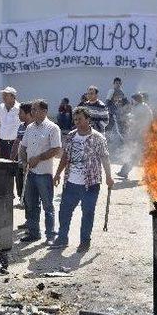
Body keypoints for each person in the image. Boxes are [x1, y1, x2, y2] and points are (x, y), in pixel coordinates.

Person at [50, 107, 114, 252]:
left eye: (80, 119)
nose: (77, 122)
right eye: (75, 119)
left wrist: (109, 177)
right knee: (65, 211)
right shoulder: (71, 136)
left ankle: (85, 241)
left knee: (87, 213)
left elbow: (105, 157)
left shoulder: (98, 137)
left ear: (88, 119)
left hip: (90, 183)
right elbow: (65, 156)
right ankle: (62, 238)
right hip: (71, 182)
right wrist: (58, 173)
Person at [19, 99, 62, 243]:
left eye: (35, 109)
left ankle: (50, 236)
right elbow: (23, 147)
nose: (32, 112)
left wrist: (38, 158)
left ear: (44, 111)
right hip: (30, 173)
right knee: (31, 205)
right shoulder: (30, 127)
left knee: (48, 206)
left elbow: (56, 149)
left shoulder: (52, 128)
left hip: (44, 173)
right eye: (32, 109)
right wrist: (24, 162)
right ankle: (33, 233)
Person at [117, 92, 153, 179]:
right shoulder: (144, 107)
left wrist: (126, 118)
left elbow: (134, 120)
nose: (131, 102)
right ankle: (124, 171)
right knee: (137, 154)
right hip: (142, 134)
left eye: (132, 100)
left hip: (141, 134)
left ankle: (148, 174)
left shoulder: (140, 108)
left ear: (136, 100)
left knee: (138, 155)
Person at [11, 102, 33, 210]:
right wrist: (11, 159)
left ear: (28, 113)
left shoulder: (34, 127)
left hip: (32, 165)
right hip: (21, 163)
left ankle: (31, 220)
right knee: (20, 188)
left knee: (30, 193)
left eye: (20, 113)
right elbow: (17, 142)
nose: (18, 115)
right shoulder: (21, 126)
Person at [0, 86, 21, 159]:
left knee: (16, 165)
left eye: (6, 95)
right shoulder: (0, 107)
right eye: (3, 95)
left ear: (13, 96)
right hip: (2, 142)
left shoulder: (20, 108)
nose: (3, 97)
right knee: (3, 164)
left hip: (16, 143)